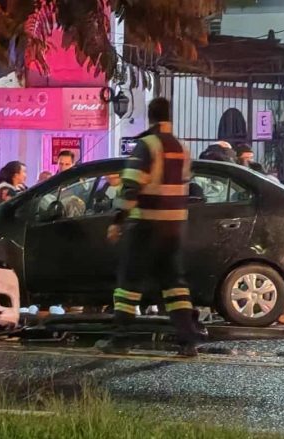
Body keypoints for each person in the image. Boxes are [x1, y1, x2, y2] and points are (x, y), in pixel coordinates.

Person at [96, 98, 204, 357]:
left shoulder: (147, 146)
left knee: (129, 283)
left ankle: (120, 338)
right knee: (175, 284)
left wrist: (118, 221)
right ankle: (188, 340)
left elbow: (132, 186)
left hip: (146, 224)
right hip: (174, 227)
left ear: (150, 116)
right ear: (170, 116)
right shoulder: (182, 148)